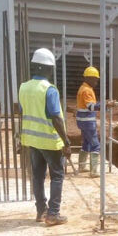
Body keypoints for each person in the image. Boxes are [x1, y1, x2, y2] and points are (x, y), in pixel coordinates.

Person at [19, 48, 71, 226]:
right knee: (57, 175)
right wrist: (66, 141)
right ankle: (53, 214)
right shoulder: (49, 90)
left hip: (32, 140)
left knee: (37, 176)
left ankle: (41, 211)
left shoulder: (24, 87)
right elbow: (56, 118)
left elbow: (23, 112)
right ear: (47, 69)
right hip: (49, 141)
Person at [76, 66, 101, 178]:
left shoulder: (83, 88)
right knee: (95, 145)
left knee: (86, 143)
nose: (96, 81)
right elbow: (91, 107)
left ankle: (81, 166)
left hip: (82, 121)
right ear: (89, 78)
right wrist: (104, 105)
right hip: (87, 122)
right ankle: (94, 171)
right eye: (95, 79)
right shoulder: (87, 90)